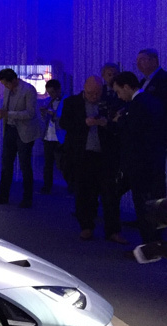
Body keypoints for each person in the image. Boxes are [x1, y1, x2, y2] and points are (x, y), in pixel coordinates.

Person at [59, 76, 123, 242]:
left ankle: (113, 230)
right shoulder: (72, 102)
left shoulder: (109, 102)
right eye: (91, 93)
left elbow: (119, 126)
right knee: (84, 193)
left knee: (110, 194)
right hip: (82, 154)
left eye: (97, 93)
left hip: (105, 155)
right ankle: (86, 227)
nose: (95, 96)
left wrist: (105, 123)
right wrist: (84, 123)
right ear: (84, 89)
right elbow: (64, 124)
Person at [113, 71, 167, 263]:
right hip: (155, 162)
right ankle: (157, 245)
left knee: (144, 207)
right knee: (158, 207)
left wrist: (120, 121)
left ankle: (149, 250)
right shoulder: (154, 102)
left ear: (127, 87)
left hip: (141, 164)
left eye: (119, 92)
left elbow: (133, 134)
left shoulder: (137, 105)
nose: (119, 96)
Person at [0, 68, 43, 208]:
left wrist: (8, 114)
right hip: (10, 130)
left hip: (25, 132)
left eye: (6, 84)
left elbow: (30, 113)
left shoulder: (28, 89)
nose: (5, 87)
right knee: (6, 165)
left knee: (25, 166)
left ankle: (27, 198)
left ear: (13, 80)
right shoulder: (8, 89)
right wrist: (1, 113)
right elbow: (6, 109)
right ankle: (3, 195)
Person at [39, 79, 66, 195]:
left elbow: (66, 118)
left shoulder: (66, 100)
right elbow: (45, 119)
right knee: (48, 163)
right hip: (48, 136)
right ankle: (47, 186)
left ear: (59, 90)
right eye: (49, 93)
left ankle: (72, 186)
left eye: (52, 93)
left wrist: (53, 114)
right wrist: (43, 113)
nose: (51, 95)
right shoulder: (48, 101)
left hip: (60, 136)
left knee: (63, 164)